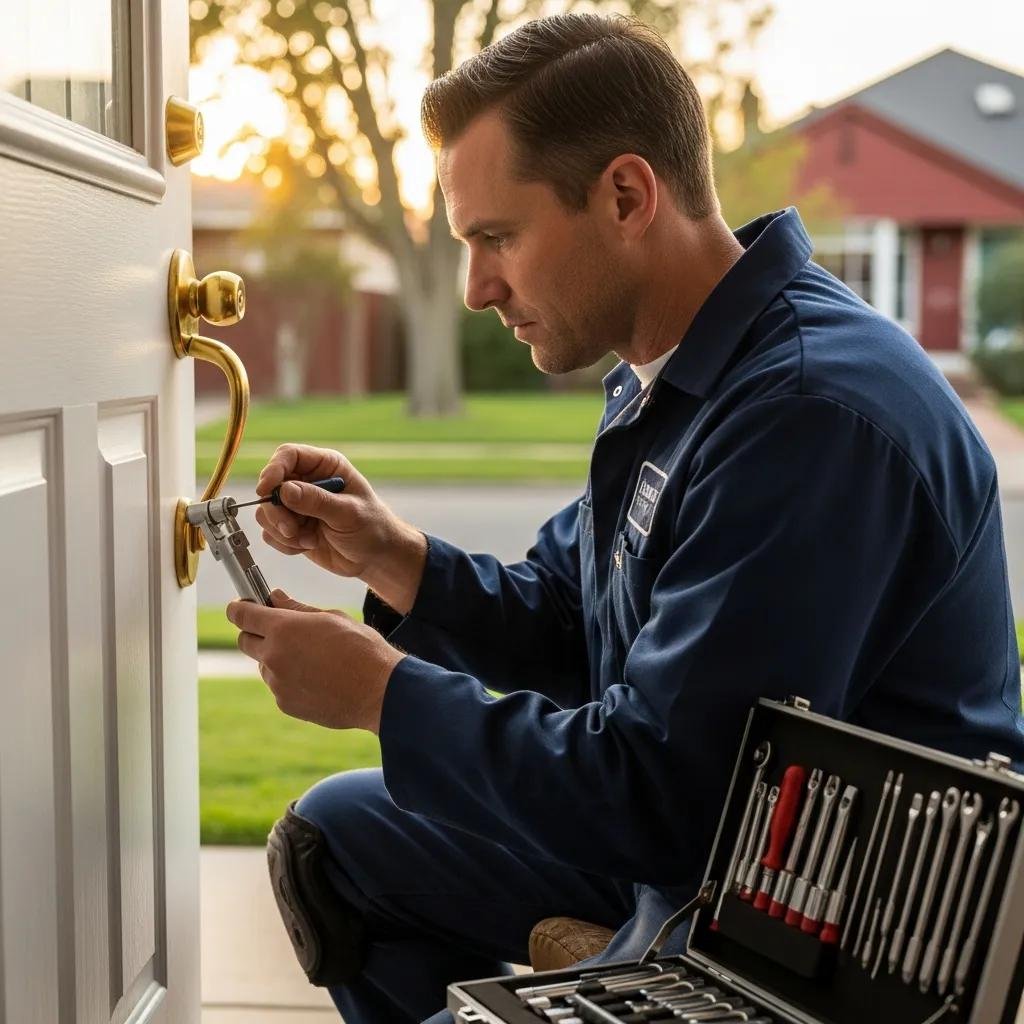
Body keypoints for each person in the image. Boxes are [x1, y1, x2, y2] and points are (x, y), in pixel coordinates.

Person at [224, 13, 1024, 1024]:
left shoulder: (808, 416)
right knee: (335, 835)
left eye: (496, 238)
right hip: (698, 861)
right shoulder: (682, 376)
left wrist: (388, 695)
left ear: (625, 196)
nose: (476, 289)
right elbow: (574, 615)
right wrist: (399, 562)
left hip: (811, 938)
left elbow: (665, 798)